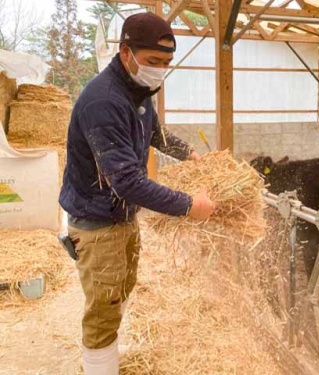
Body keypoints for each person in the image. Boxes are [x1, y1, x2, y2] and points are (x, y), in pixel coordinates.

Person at [58, 12, 215, 374]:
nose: (160, 70)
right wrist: (190, 205)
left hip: (120, 216)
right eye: (153, 61)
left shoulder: (138, 90)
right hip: (98, 224)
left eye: (166, 63)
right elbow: (126, 180)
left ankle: (108, 355)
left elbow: (155, 134)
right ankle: (100, 363)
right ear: (126, 52)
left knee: (119, 293)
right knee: (102, 309)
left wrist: (191, 154)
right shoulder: (104, 101)